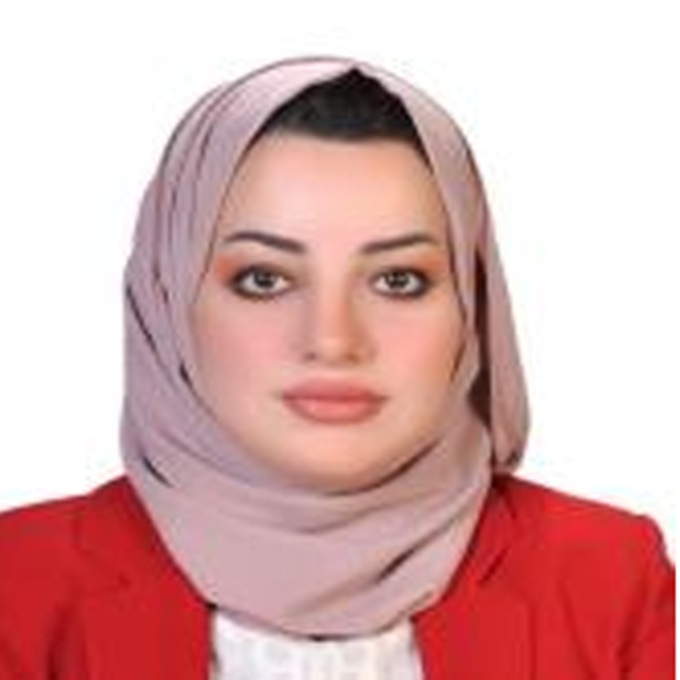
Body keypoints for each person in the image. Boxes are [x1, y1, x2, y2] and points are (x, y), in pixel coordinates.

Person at [0, 56, 673, 680]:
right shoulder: (16, 585)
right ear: (168, 302)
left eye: (398, 280)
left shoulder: (612, 579)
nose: (333, 340)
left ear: (473, 308)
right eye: (264, 279)